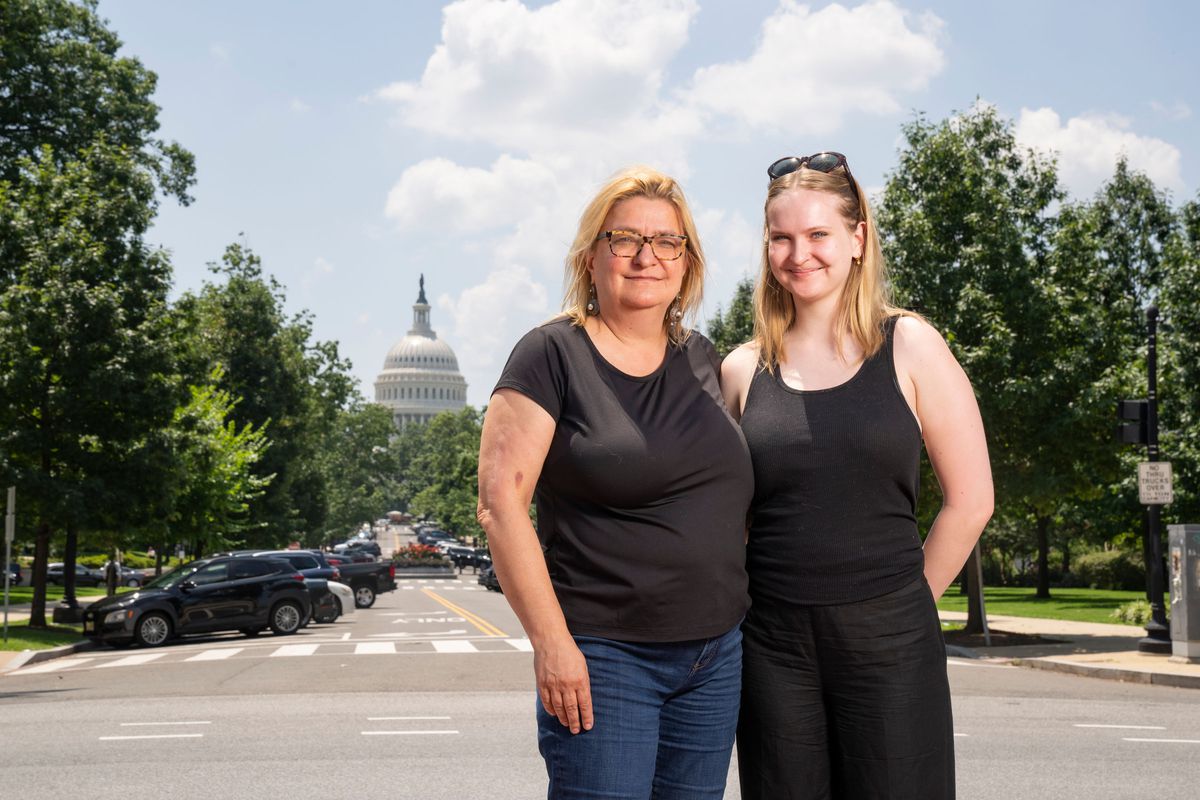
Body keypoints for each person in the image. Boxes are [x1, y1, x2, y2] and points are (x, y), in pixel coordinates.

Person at [721, 152, 994, 799]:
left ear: (857, 238)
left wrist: (907, 603)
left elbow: (972, 500)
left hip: (893, 638)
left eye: (818, 233)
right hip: (772, 647)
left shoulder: (911, 345)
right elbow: (727, 519)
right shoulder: (740, 370)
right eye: (782, 237)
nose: (800, 254)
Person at [477, 166, 754, 799]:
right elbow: (500, 506)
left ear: (686, 263)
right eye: (624, 238)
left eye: (667, 242)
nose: (645, 256)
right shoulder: (550, 355)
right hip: (605, 657)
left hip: (714, 658)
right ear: (591, 256)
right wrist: (552, 644)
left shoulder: (702, 357)